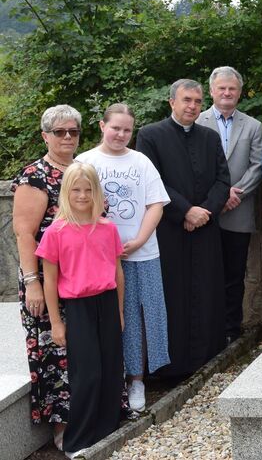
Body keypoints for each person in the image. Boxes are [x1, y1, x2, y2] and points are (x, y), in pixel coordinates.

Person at [78, 103, 171, 411]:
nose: (120, 134)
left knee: (141, 318)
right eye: (115, 127)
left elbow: (155, 204)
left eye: (127, 130)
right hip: (97, 257)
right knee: (110, 318)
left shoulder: (141, 161)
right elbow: (74, 205)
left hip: (140, 253)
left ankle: (137, 380)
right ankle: (110, 381)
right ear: (102, 126)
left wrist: (139, 239)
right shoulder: (85, 161)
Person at [136, 79, 231, 376]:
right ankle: (171, 368)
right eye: (186, 100)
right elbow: (152, 182)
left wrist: (204, 212)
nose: (192, 106)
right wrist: (185, 211)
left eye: (197, 102)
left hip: (205, 228)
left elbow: (222, 180)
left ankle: (208, 358)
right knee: (172, 296)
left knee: (206, 291)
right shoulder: (150, 135)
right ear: (172, 102)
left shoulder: (210, 137)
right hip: (169, 229)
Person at [36, 163, 126, 457]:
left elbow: (117, 271)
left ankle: (108, 431)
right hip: (78, 307)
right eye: (76, 189)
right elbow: (49, 281)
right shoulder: (56, 232)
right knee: (87, 374)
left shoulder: (108, 228)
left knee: (111, 369)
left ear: (97, 192)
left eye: (88, 189)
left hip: (108, 303)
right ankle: (78, 441)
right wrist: (56, 323)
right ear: (66, 192)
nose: (83, 195)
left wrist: (121, 312)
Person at [11, 105, 81, 449]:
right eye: (60, 132)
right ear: (45, 136)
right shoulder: (34, 175)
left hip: (84, 280)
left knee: (85, 349)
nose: (67, 137)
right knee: (56, 350)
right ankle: (62, 430)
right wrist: (31, 282)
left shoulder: (84, 171)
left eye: (73, 132)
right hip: (45, 281)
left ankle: (93, 415)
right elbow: (25, 234)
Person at [196, 67, 262, 343]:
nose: (226, 93)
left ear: (239, 92)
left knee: (235, 275)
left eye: (232, 88)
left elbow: (258, 165)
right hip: (206, 212)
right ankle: (207, 332)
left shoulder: (253, 126)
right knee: (206, 275)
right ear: (211, 91)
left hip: (239, 211)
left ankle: (231, 332)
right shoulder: (196, 123)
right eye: (221, 88)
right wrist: (218, 198)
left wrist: (236, 194)